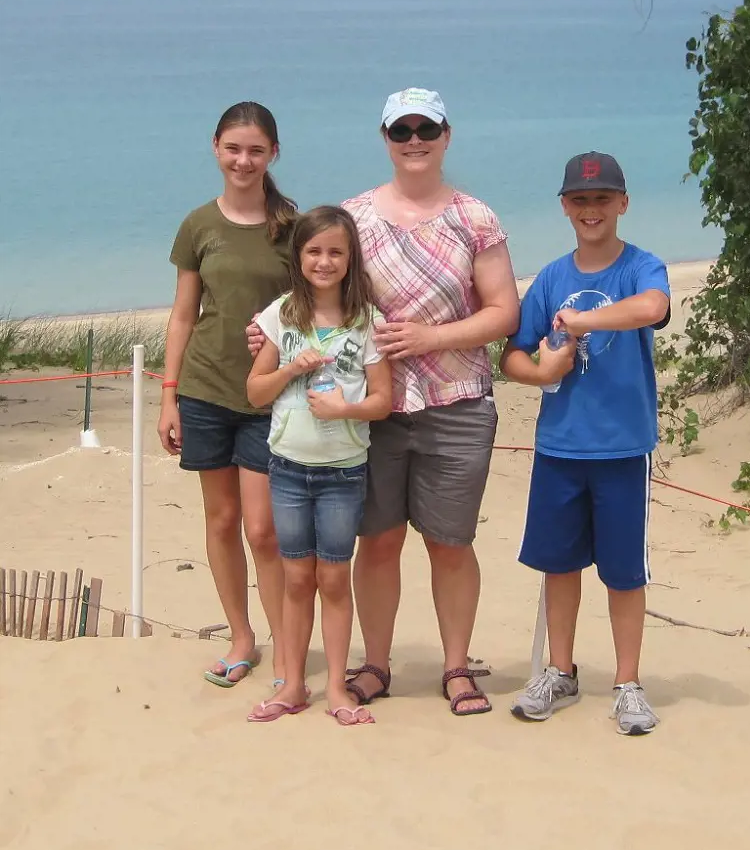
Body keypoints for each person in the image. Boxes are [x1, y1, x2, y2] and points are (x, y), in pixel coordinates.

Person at [248, 87, 519, 715]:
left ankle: (456, 666)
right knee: (379, 541)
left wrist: (431, 337)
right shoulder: (356, 216)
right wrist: (268, 330)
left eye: (428, 128)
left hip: (456, 400)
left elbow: (505, 313)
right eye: (403, 131)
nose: (416, 140)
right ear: (386, 139)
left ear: (448, 135)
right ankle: (375, 665)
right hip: (371, 415)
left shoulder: (476, 218)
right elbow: (315, 290)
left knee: (451, 541)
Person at [501, 151, 671, 735]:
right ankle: (560, 671)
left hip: (624, 448)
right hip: (560, 448)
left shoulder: (640, 266)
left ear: (622, 203)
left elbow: (653, 307)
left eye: (602, 199)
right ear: (565, 206)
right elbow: (513, 355)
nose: (591, 209)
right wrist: (543, 373)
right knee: (559, 564)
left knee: (624, 572)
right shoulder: (550, 278)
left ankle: (628, 683)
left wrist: (579, 323)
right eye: (580, 200)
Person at [158, 102, 295, 688]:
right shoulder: (197, 226)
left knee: (264, 530)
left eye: (256, 150)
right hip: (205, 387)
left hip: (269, 393)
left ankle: (288, 647)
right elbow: (184, 315)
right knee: (220, 521)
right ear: (216, 148)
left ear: (273, 154)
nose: (244, 160)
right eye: (234, 148)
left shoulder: (292, 226)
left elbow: (317, 303)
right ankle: (243, 639)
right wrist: (168, 397)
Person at [245, 206, 392, 725]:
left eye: (335, 252)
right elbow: (255, 390)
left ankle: (335, 687)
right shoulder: (281, 316)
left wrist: (344, 409)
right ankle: (291, 685)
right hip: (287, 469)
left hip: (343, 472)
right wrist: (290, 367)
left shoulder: (367, 321)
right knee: (295, 578)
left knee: (333, 579)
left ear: (351, 259)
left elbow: (383, 401)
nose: (324, 261)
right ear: (298, 257)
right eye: (314, 251)